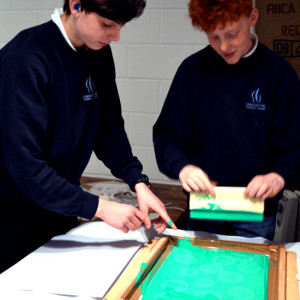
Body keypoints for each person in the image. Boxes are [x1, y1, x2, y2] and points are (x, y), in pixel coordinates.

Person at [0, 0, 177, 274]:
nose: (116, 36)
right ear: (76, 5)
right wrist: (100, 207)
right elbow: (25, 168)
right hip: (13, 218)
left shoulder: (98, 53)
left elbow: (108, 131)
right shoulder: (26, 58)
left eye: (121, 26)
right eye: (107, 24)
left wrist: (138, 183)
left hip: (60, 208)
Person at [153, 0, 300, 240]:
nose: (224, 46)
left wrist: (279, 175)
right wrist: (183, 167)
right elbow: (166, 135)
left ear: (252, 18)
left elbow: (296, 145)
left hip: (256, 215)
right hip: (204, 209)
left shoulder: (279, 74)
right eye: (214, 37)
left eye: (232, 34)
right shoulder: (192, 71)